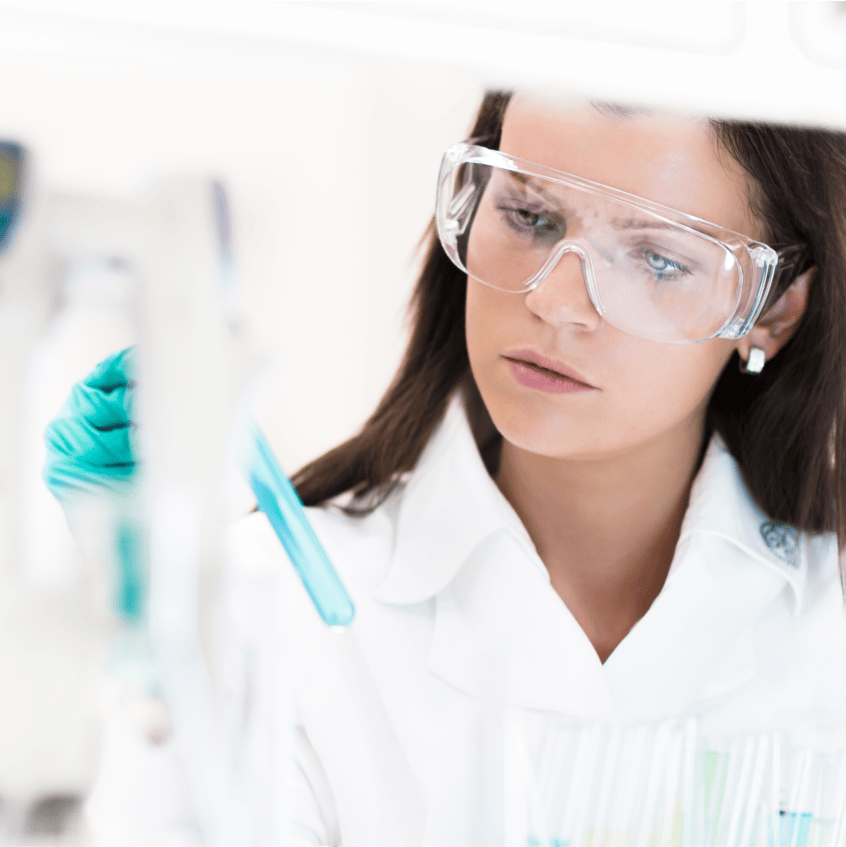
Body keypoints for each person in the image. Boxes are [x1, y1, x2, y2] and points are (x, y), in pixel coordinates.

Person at [44, 91, 846, 845]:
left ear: (771, 309)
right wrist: (145, 622)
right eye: (529, 215)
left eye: (659, 261)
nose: (557, 300)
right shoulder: (282, 605)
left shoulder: (826, 619)